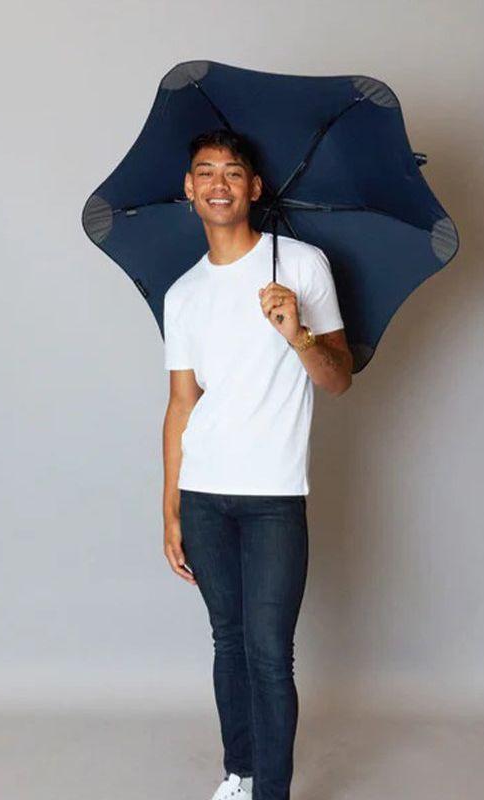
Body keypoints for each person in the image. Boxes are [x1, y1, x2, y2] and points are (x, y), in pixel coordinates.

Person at [161, 128, 352, 800]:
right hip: (204, 493)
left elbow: (338, 380)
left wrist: (296, 333)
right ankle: (238, 774)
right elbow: (181, 403)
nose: (218, 183)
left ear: (254, 188)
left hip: (273, 495)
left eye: (233, 172)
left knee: (270, 654)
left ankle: (272, 791)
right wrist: (170, 508)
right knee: (227, 643)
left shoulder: (300, 266)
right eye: (205, 172)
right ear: (189, 189)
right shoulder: (181, 294)